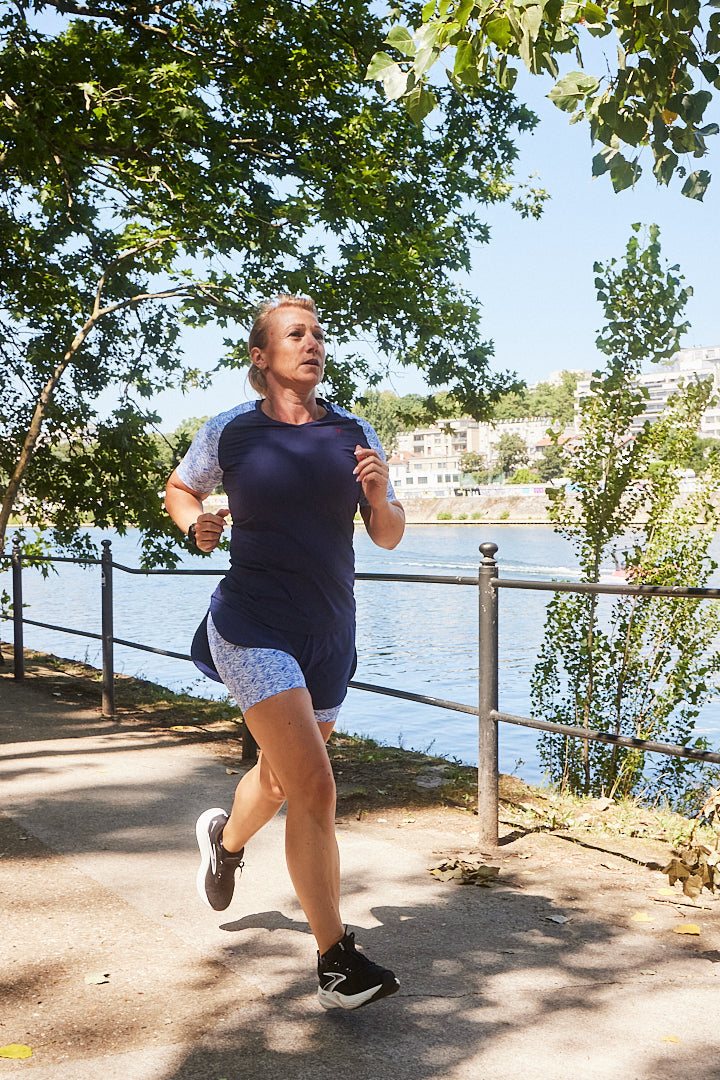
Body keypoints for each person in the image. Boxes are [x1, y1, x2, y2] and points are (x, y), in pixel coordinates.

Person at [164, 294, 405, 1010]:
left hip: (329, 633)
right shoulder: (231, 433)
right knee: (317, 787)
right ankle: (336, 961)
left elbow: (387, 534)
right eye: (296, 334)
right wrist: (196, 525)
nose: (313, 344)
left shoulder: (354, 434)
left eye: (319, 334)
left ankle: (224, 841)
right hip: (251, 624)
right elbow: (181, 488)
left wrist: (382, 494)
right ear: (260, 357)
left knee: (279, 780)